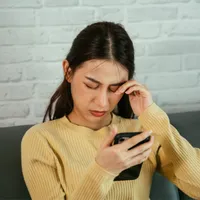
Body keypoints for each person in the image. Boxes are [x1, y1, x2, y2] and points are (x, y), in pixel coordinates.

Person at [21, 21, 200, 200]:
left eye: (115, 88)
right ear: (68, 71)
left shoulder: (143, 132)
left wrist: (151, 115)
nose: (102, 102)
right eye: (91, 85)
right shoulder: (41, 139)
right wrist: (103, 171)